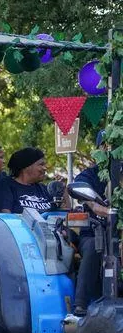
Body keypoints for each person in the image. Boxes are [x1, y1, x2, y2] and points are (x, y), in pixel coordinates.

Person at [72, 133, 110, 316]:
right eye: (106, 146)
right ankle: (80, 305)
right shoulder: (89, 175)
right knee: (96, 246)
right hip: (94, 230)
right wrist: (101, 208)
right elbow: (92, 204)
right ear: (100, 149)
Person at [0, 147, 52, 214]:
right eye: (41, 164)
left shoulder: (42, 188)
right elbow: (6, 216)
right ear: (26, 166)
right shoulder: (5, 185)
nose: (45, 168)